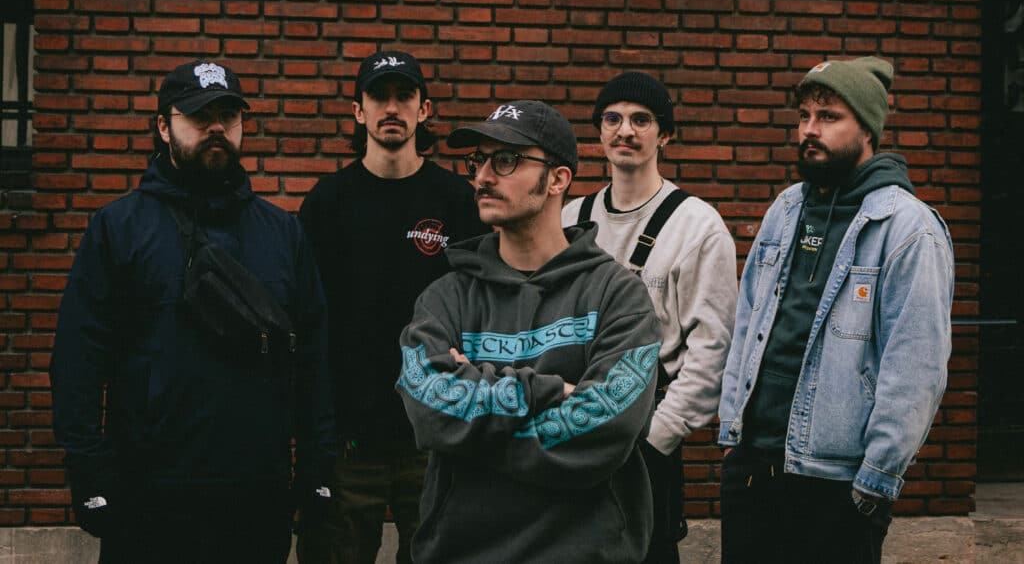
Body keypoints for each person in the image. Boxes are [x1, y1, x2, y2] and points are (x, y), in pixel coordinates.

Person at [50, 60, 336, 563]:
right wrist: (88, 472)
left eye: (228, 115)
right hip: (148, 495)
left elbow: (313, 358)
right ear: (164, 126)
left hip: (255, 494)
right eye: (200, 116)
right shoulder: (119, 229)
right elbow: (79, 359)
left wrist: (317, 465)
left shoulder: (281, 234)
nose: (216, 128)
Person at [396, 99, 662, 564]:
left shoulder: (616, 295)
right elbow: (429, 410)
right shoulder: (446, 298)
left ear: (557, 179)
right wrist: (552, 391)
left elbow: (609, 426)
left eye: (506, 160)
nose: (482, 177)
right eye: (478, 161)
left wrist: (475, 413)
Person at [717, 57, 955, 563]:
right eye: (804, 115)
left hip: (837, 484)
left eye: (828, 116)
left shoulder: (907, 229)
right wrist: (732, 435)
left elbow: (916, 368)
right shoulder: (786, 209)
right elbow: (748, 320)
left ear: (867, 129)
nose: (809, 129)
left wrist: (876, 479)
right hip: (755, 468)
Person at [296, 50, 488, 564]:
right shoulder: (327, 203)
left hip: (434, 438)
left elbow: (482, 308)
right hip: (349, 441)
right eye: (379, 96)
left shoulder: (456, 201)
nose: (392, 108)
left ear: (424, 110)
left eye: (405, 96)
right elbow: (307, 320)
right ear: (358, 111)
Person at [561, 72, 737, 563]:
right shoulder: (569, 219)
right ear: (599, 130)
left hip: (643, 439)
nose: (625, 130)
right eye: (612, 118)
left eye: (641, 119)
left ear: (665, 135)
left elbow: (711, 351)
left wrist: (656, 438)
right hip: (569, 431)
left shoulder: (696, 226)